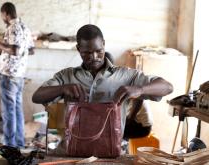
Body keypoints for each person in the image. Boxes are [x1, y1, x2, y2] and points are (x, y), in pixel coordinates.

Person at [32, 24, 173, 142]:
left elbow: (167, 87)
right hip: (74, 148)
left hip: (110, 151)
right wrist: (62, 88)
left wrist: (140, 89)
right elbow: (37, 96)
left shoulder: (125, 75)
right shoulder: (67, 76)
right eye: (87, 52)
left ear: (104, 44)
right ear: (78, 49)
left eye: (99, 51)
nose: (94, 57)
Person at [0, 2, 34, 147]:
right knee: (17, 111)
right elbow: (30, 50)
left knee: (8, 112)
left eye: (2, 15)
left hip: (8, 75)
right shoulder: (25, 28)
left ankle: (9, 145)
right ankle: (18, 144)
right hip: (19, 75)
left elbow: (14, 50)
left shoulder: (13, 28)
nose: (2, 17)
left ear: (6, 14)